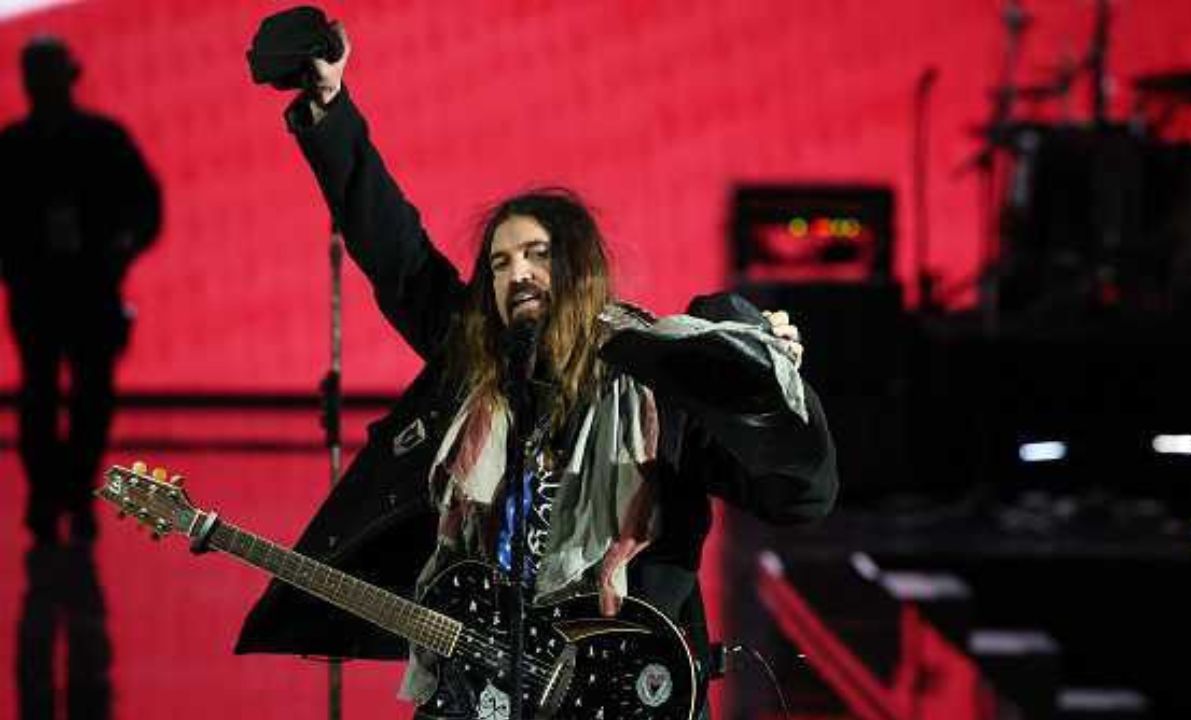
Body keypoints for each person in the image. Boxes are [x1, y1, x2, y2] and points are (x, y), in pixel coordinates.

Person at [234, 19, 837, 719]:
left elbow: (799, 498)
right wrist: (330, 106)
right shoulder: (476, 365)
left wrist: (767, 394)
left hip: (620, 696)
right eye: (498, 262)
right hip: (483, 684)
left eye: (536, 254)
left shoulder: (659, 385)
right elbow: (395, 252)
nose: (515, 272)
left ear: (579, 268)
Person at [0, 36, 161, 545]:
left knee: (79, 399)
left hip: (83, 293)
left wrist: (120, 250)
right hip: (48, 296)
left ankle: (67, 492)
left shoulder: (89, 142)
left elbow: (146, 209)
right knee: (46, 399)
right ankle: (58, 494)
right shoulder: (26, 147)